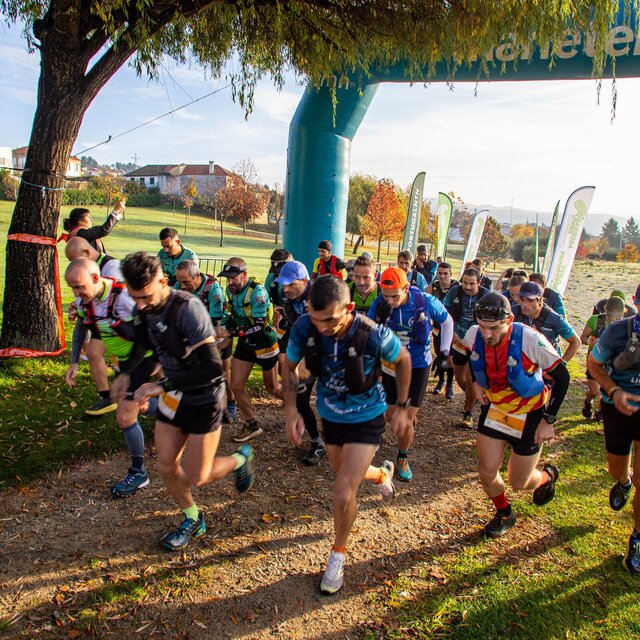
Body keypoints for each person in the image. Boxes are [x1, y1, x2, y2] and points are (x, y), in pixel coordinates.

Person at [111, 251, 255, 551]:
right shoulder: (145, 306)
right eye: (135, 298)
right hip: (174, 395)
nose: (141, 305)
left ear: (164, 282)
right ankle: (193, 517)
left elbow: (212, 368)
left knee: (198, 476)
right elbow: (143, 342)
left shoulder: (187, 309)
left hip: (204, 397)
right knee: (165, 464)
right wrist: (127, 375)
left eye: (145, 297)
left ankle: (240, 459)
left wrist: (162, 384)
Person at [282, 275, 412, 594]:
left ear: (349, 308)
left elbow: (403, 360)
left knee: (342, 492)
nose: (322, 326)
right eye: (316, 318)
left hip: (367, 415)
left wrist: (402, 406)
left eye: (330, 319)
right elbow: (289, 366)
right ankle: (381, 475)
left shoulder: (372, 333)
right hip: (331, 414)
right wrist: (291, 411)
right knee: (345, 474)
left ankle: (337, 557)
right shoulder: (305, 326)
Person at [463, 293, 570, 537]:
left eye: (494, 328)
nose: (486, 334)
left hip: (530, 415)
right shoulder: (474, 334)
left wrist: (548, 420)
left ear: (509, 320)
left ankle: (547, 476)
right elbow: (470, 356)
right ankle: (505, 513)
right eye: (482, 327)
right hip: (496, 410)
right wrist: (476, 384)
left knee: (519, 482)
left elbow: (562, 376)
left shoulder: (530, 339)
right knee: (487, 472)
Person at [64, 257, 155, 497]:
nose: (76, 293)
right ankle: (178, 409)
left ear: (96, 278)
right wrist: (74, 361)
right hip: (123, 360)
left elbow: (147, 336)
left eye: (79, 287)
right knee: (143, 405)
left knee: (125, 416)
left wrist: (127, 372)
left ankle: (139, 472)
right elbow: (83, 326)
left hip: (144, 357)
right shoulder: (85, 301)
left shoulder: (124, 297)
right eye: (72, 288)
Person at [369, 267, 453, 481]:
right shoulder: (379, 304)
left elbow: (447, 321)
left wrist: (444, 352)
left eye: (394, 296)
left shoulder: (425, 301)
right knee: (391, 415)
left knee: (404, 419)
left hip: (417, 366)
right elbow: (369, 333)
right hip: (390, 365)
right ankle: (408, 418)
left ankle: (403, 456)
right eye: (386, 296)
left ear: (406, 288)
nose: (390, 301)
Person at [587, 310, 640, 575]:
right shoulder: (617, 331)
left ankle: (638, 538)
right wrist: (614, 390)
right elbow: (594, 364)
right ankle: (623, 481)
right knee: (616, 470)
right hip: (616, 405)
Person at [217, 258, 280, 442]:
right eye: (227, 278)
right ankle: (252, 425)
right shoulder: (230, 290)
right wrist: (226, 331)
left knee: (272, 388)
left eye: (233, 278)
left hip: (264, 342)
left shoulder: (257, 292)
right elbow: (233, 317)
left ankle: (296, 406)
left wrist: (231, 333)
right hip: (246, 342)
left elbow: (259, 326)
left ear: (244, 275)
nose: (230, 282)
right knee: (236, 385)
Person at [274, 260, 326, 465]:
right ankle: (317, 442)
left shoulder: (321, 295)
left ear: (305, 281)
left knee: (334, 400)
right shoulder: (287, 297)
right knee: (301, 400)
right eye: (283, 284)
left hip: (332, 354)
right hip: (308, 352)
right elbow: (297, 328)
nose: (285, 288)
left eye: (290, 284)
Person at [174, 260, 237, 421]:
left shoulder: (212, 288)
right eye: (180, 282)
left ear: (197, 276)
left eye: (186, 282)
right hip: (194, 331)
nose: (182, 287)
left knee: (223, 371)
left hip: (218, 331)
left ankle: (230, 402)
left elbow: (215, 322)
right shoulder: (179, 284)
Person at [443, 268, 490, 428]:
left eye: (472, 284)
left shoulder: (486, 296)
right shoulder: (455, 291)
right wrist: (452, 332)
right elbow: (445, 314)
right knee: (460, 379)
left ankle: (468, 413)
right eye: (465, 283)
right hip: (459, 340)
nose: (468, 287)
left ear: (479, 283)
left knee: (471, 379)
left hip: (478, 343)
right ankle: (472, 396)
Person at [580, 296, 625, 421]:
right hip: (595, 361)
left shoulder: (626, 325)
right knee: (595, 391)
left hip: (613, 363)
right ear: (605, 310)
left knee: (607, 390)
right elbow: (582, 338)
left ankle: (600, 411)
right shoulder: (595, 320)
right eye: (610, 315)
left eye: (617, 316)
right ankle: (588, 400)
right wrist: (591, 341)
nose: (613, 319)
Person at [511, 282, 581, 361]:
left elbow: (576, 342)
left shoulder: (555, 319)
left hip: (547, 362)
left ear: (540, 300)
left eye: (530, 300)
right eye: (522, 299)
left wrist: (562, 364)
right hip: (519, 360)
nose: (525, 304)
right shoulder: (512, 313)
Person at [428, 261, 459, 398]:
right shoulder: (432, 288)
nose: (442, 276)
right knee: (439, 354)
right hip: (437, 329)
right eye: (439, 273)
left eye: (445, 274)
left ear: (451, 274)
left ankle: (450, 384)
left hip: (453, 329)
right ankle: (441, 381)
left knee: (450, 357)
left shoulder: (457, 288)